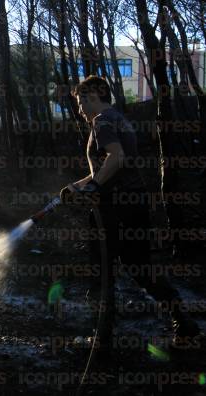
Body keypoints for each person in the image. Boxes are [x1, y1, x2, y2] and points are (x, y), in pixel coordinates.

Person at [60, 75, 200, 356]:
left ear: (92, 96)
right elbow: (109, 164)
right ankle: (185, 326)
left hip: (113, 208)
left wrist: (95, 186)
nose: (79, 109)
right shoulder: (118, 119)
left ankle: (102, 336)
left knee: (101, 271)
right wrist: (78, 186)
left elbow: (116, 158)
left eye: (79, 101)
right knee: (141, 268)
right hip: (134, 203)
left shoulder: (101, 122)